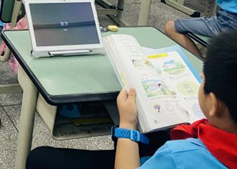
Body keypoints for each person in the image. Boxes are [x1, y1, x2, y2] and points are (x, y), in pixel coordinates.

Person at [26, 30, 237, 169]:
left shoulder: (179, 157)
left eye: (204, 79)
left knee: (40, 158)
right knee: (157, 135)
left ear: (215, 105)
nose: (200, 78)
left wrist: (127, 125)